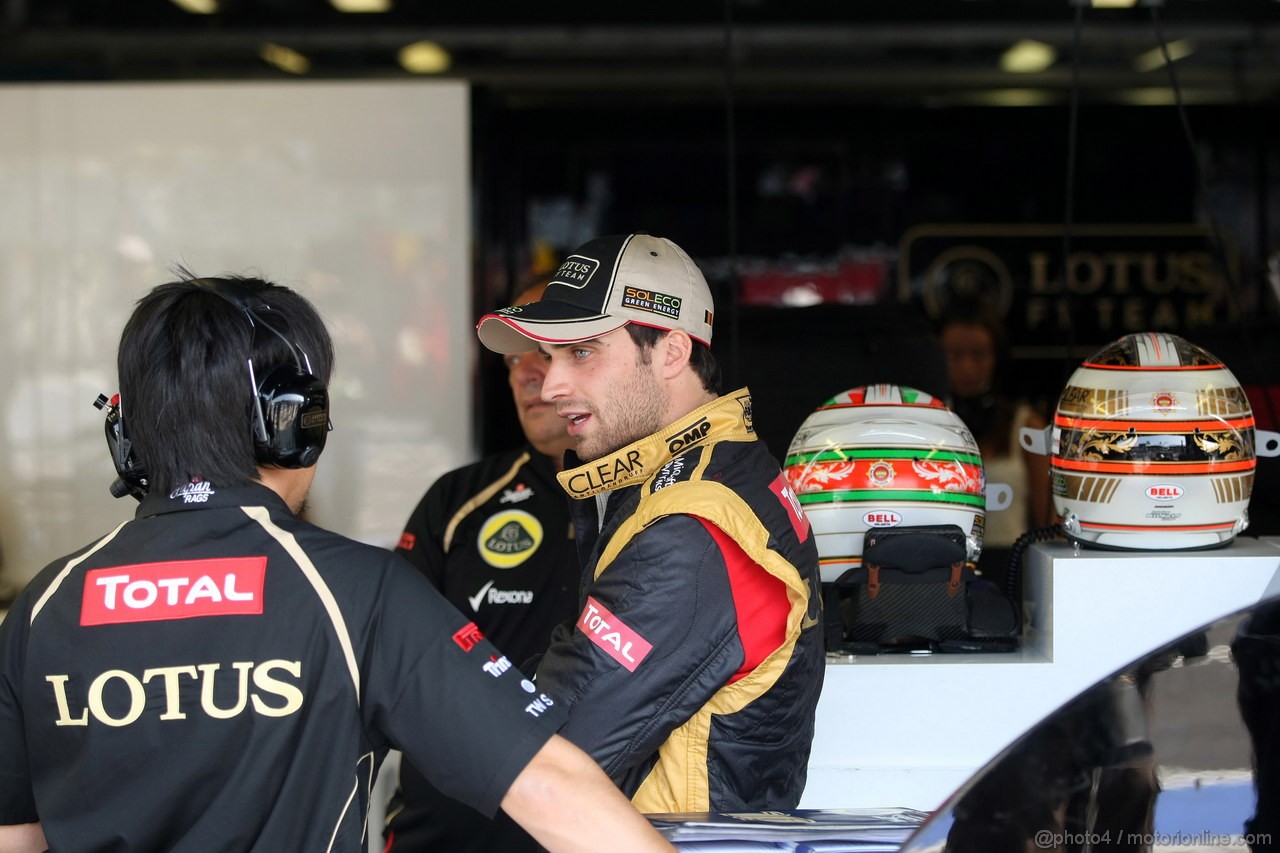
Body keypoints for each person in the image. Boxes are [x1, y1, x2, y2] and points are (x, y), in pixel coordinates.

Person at [0, 272, 674, 853]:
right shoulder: (355, 591)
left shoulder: (40, 607)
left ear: (126, 435)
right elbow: (553, 790)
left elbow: (16, 837)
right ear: (294, 423)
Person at [476, 232, 826, 813]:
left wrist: (416, 674)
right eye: (548, 355)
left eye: (581, 352)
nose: (552, 383)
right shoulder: (706, 469)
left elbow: (545, 754)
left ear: (670, 350)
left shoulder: (694, 524)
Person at [386, 276, 578, 852]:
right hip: (454, 824)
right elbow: (397, 660)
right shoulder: (459, 498)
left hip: (589, 813)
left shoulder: (660, 501)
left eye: (544, 351)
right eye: (514, 359)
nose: (525, 373)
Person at [938, 300, 1053, 551]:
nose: (967, 366)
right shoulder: (926, 425)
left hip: (1009, 567)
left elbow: (1049, 525)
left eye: (978, 355)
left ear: (996, 358)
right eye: (954, 355)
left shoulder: (1025, 425)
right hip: (942, 569)